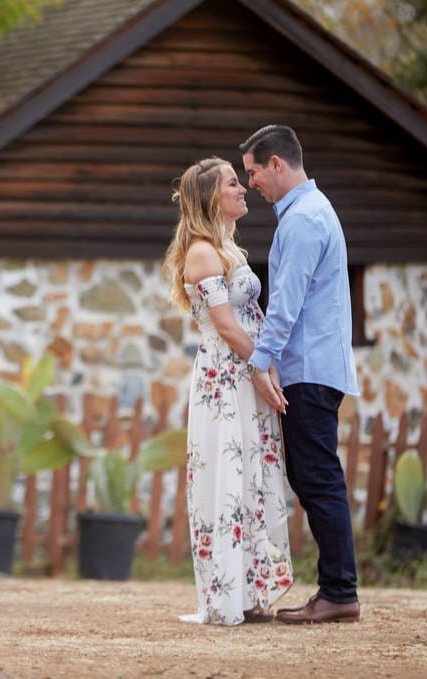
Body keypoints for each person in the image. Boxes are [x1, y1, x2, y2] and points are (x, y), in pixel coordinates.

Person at [162, 157, 293, 627]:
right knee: (229, 477)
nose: (244, 189)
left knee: (253, 478)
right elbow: (226, 325)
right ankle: (226, 595)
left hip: (245, 375)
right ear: (211, 197)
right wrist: (263, 368)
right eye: (234, 184)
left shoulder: (229, 249)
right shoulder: (201, 252)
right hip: (226, 377)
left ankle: (252, 592)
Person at [239, 125, 361, 624]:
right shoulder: (306, 213)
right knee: (312, 477)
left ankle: (339, 592)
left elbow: (286, 303)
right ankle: (336, 589)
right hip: (313, 367)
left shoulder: (304, 219)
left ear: (276, 164)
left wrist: (259, 360)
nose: (250, 184)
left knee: (318, 479)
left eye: (252, 172)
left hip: (309, 369)